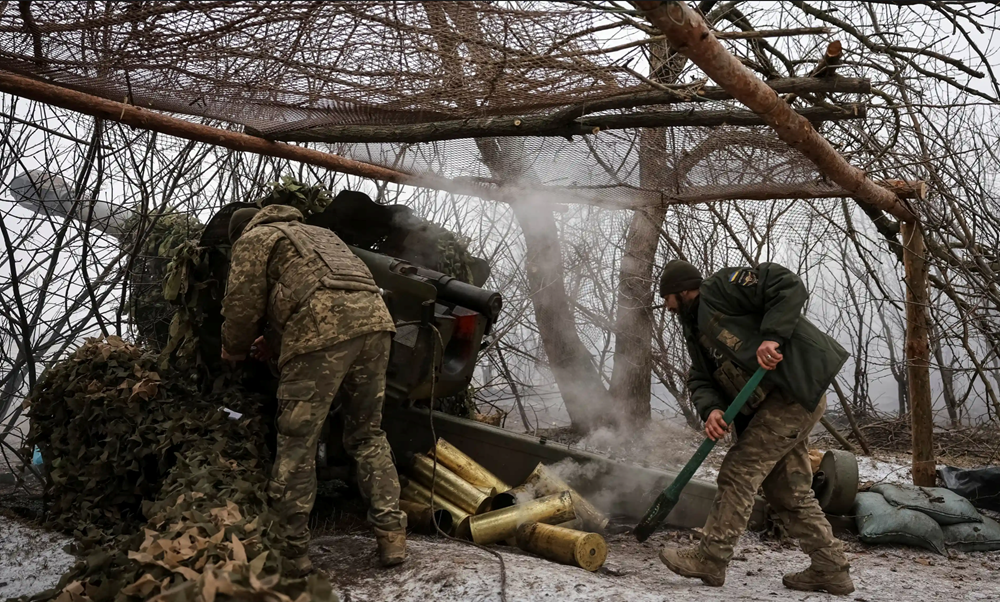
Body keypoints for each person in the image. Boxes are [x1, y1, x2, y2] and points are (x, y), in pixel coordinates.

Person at [220, 204, 407, 575]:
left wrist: (233, 349)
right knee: (368, 434)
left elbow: (242, 305)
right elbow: (316, 290)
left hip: (322, 332)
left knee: (297, 440)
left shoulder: (254, 238)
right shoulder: (321, 236)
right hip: (376, 327)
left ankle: (292, 553)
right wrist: (274, 340)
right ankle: (392, 537)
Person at [657, 259, 854, 595]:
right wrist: (713, 410)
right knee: (785, 489)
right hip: (769, 405)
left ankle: (711, 557)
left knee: (739, 468)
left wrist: (771, 337)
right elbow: (700, 377)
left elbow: (785, 282)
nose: (667, 306)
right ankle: (830, 567)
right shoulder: (694, 329)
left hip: (792, 391)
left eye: (668, 298)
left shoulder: (721, 287)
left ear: (682, 289)